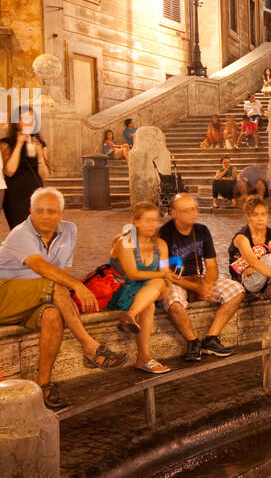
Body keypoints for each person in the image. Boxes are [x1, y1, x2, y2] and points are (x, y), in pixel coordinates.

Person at [0, 187, 125, 409]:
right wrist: (77, 286)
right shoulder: (21, 233)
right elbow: (40, 267)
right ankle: (90, 347)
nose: (45, 216)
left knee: (52, 316)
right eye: (39, 211)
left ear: (62, 213)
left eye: (51, 211)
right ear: (30, 211)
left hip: (34, 296)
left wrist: (66, 299)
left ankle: (44, 384)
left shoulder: (70, 231)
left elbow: (62, 272)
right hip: (5, 294)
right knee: (57, 287)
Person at [158, 194, 245, 360]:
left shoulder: (202, 230)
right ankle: (193, 342)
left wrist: (208, 285)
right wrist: (197, 288)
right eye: (186, 210)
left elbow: (211, 265)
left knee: (237, 290)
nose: (193, 213)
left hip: (199, 277)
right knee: (173, 302)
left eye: (194, 209)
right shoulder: (164, 234)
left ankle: (211, 338)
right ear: (174, 212)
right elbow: (166, 273)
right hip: (176, 280)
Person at [107, 202, 171, 373]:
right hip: (121, 290)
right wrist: (163, 278)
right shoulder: (125, 242)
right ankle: (143, 357)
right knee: (150, 301)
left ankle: (130, 317)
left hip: (148, 292)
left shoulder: (161, 245)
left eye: (156, 220)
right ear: (135, 222)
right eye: (148, 220)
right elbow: (133, 274)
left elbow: (166, 272)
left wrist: (168, 285)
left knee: (156, 289)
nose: (153, 225)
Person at [229, 195, 271, 314]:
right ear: (248, 217)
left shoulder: (269, 233)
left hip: (265, 279)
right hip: (245, 281)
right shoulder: (242, 236)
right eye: (255, 215)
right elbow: (252, 261)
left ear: (268, 216)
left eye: (263, 214)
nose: (260, 218)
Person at [1, 110, 51, 229]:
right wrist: (18, 145)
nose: (30, 122)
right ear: (17, 122)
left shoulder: (40, 143)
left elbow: (45, 175)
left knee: (37, 230)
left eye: (32, 119)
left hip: (36, 193)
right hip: (15, 195)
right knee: (20, 230)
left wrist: (40, 156)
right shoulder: (6, 143)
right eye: (25, 119)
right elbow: (9, 171)